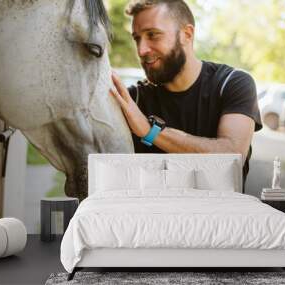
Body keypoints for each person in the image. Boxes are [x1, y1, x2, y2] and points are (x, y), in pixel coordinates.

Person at [110, 0, 262, 189]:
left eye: (153, 35)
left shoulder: (231, 83)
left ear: (186, 34)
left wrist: (150, 132)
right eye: (137, 38)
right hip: (153, 217)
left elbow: (232, 156)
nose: (142, 50)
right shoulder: (133, 100)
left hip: (220, 216)